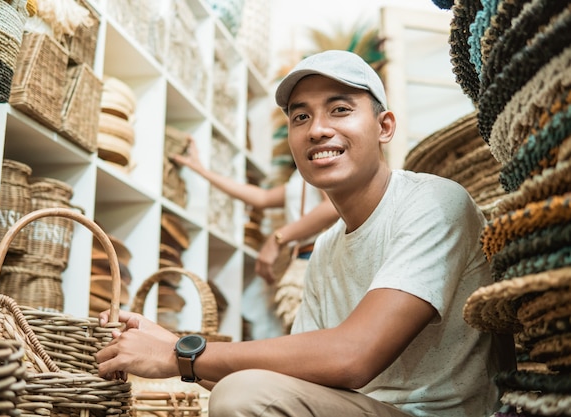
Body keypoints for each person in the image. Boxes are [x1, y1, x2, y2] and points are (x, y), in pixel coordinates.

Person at [96, 50, 514, 417]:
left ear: (385, 127)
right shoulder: (327, 249)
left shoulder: (435, 203)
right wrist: (164, 345)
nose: (317, 129)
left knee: (239, 393)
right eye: (301, 116)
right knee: (238, 388)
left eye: (340, 109)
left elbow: (354, 356)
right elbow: (298, 377)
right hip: (359, 405)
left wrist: (180, 354)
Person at [172, 138, 339, 336]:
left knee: (310, 341)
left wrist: (278, 238)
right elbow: (262, 198)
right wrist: (202, 171)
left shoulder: (320, 163)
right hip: (303, 260)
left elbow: (331, 207)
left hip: (317, 259)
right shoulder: (301, 174)